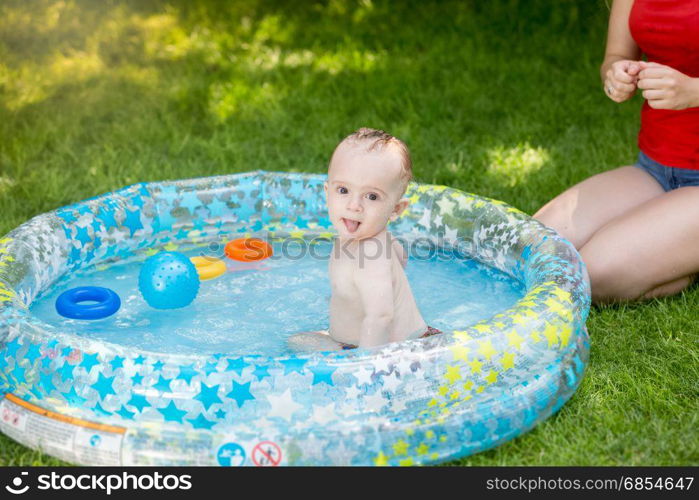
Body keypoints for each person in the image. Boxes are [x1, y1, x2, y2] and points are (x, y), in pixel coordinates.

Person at [533, 0, 699, 304]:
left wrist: (693, 91)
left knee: (593, 275)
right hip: (654, 168)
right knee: (532, 245)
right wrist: (616, 75)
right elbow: (616, 56)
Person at [287, 128, 441, 352]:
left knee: (298, 344)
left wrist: (365, 369)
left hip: (394, 352)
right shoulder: (378, 237)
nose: (354, 205)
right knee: (301, 340)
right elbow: (401, 258)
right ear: (327, 193)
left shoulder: (369, 253)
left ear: (395, 209)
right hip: (397, 339)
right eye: (343, 190)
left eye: (372, 196)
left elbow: (381, 316)